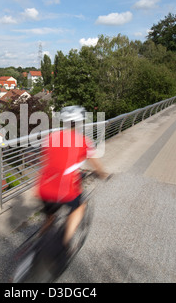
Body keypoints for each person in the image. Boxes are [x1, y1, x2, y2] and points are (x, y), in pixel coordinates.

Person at [36, 105, 108, 249]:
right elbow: (96, 165)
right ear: (80, 122)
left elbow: (45, 160)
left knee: (49, 218)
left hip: (43, 188)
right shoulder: (83, 141)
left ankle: (37, 244)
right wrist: (102, 174)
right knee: (80, 207)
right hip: (64, 191)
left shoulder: (51, 137)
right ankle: (65, 243)